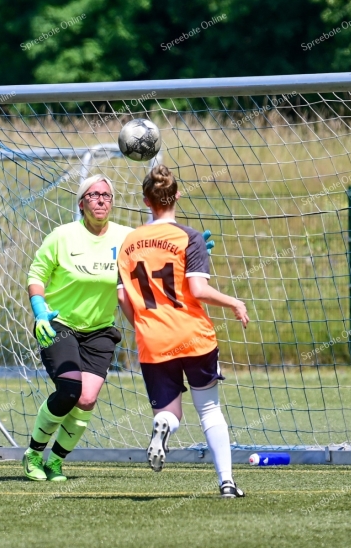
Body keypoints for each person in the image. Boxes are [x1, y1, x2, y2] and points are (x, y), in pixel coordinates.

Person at [117, 164, 250, 498]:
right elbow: (198, 290)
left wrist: (144, 326)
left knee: (169, 411)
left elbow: (122, 294)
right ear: (176, 195)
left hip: (153, 340)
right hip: (193, 336)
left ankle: (164, 428)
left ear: (146, 201)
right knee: (209, 410)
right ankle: (227, 483)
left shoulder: (128, 242)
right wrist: (234, 302)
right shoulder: (188, 237)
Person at [22, 174, 131, 481]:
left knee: (86, 399)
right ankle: (33, 453)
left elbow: (156, 248)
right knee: (70, 390)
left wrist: (189, 250)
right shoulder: (62, 236)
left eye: (106, 196)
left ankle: (55, 461)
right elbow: (36, 273)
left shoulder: (125, 238)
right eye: (94, 195)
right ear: (82, 203)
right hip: (60, 325)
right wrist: (40, 311)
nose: (101, 200)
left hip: (100, 330)